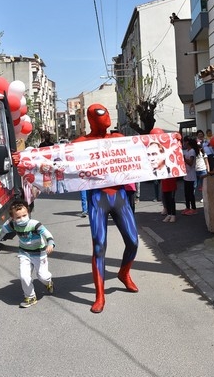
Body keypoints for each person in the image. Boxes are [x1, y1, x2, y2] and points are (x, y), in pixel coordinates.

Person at [73, 103, 139, 313]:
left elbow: (145, 149)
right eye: (98, 116)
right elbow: (55, 159)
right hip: (98, 198)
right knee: (99, 245)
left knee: (133, 241)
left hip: (119, 196)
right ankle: (100, 295)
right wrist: (26, 161)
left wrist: (170, 142)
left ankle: (123, 273)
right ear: (91, 119)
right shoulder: (81, 143)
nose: (104, 120)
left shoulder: (119, 139)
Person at [0, 198, 55, 308]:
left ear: (28, 213)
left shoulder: (35, 224)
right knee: (24, 276)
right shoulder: (13, 225)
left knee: (42, 276)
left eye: (24, 215)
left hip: (39, 254)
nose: (22, 219)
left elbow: (47, 234)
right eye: (18, 217)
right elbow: (0, 230)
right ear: (12, 218)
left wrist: (50, 244)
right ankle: (30, 297)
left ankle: (48, 282)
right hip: (24, 254)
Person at [182, 137, 198, 215]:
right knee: (186, 193)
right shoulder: (186, 151)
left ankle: (194, 208)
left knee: (191, 193)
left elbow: (191, 163)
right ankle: (187, 207)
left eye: (184, 142)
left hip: (191, 176)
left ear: (187, 142)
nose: (183, 144)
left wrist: (184, 159)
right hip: (186, 176)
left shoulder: (192, 151)